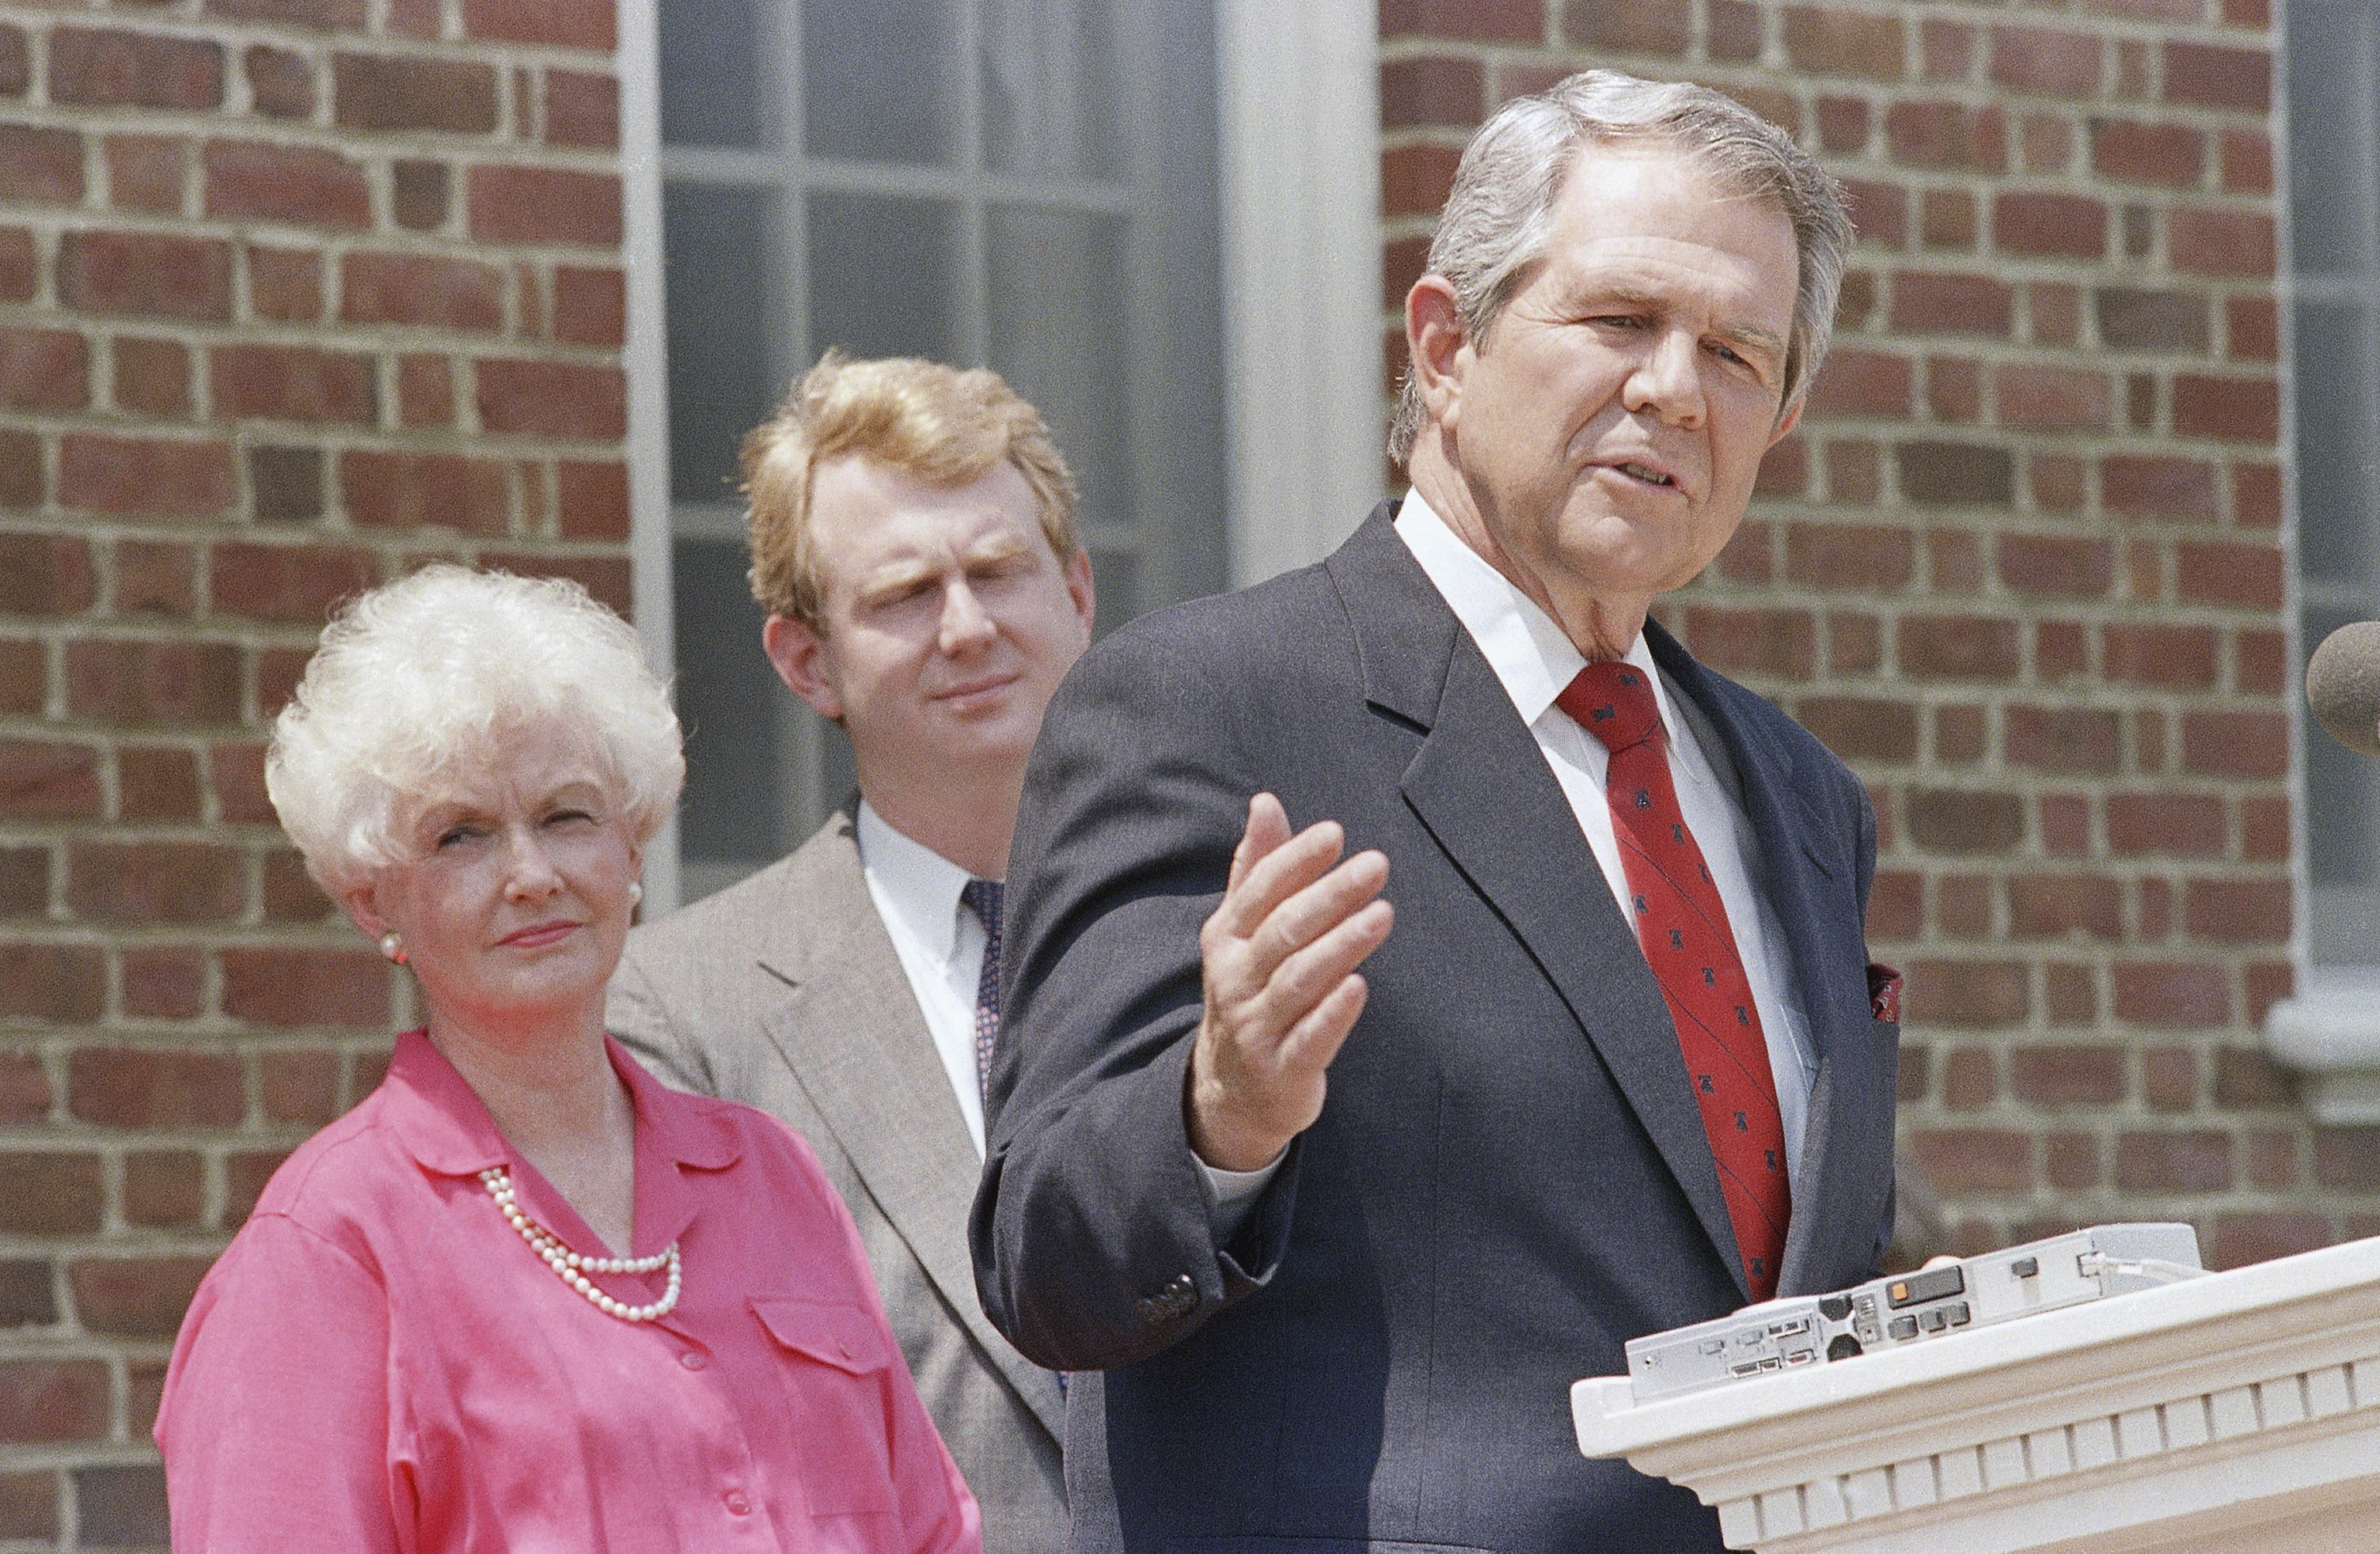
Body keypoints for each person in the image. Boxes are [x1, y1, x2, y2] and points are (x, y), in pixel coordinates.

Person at [970, 70, 1902, 1549]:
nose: (1674, 385)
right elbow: (1043, 1256)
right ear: (1446, 344)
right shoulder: (1206, 706)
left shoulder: (1799, 798)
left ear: (1776, 423)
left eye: (1737, 352)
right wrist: (1216, 1114)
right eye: (1618, 321)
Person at [155, 565, 980, 1553]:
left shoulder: (776, 1176)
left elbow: (933, 1530)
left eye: (568, 815)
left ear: (631, 846)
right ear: (374, 900)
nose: (532, 875)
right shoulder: (328, 1251)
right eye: (460, 835)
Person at [610, 354, 1091, 1550]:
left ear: (1077, 592)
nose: (967, 627)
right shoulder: (678, 1013)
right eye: (903, 596)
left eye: (996, 572)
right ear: (803, 660)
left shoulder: (1244, 929)